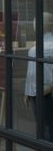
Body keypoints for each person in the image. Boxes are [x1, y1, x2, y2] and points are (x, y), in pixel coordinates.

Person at [25, 12, 53, 142]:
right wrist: (27, 91)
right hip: (35, 91)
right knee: (41, 127)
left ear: (50, 23)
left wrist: (51, 86)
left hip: (48, 91)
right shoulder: (38, 43)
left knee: (49, 127)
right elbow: (31, 70)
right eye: (34, 21)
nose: (35, 24)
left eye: (40, 21)